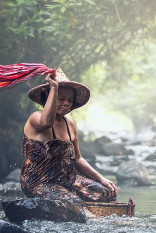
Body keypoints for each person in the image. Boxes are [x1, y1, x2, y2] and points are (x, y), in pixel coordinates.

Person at [20, 68, 118, 212]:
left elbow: (78, 159)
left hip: (67, 180)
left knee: (106, 192)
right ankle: (92, 220)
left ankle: (105, 215)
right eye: (61, 98)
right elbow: (47, 122)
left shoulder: (69, 124)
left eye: (69, 100)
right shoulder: (36, 118)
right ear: (49, 96)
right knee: (73, 203)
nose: (66, 103)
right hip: (39, 182)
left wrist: (101, 179)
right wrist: (53, 87)